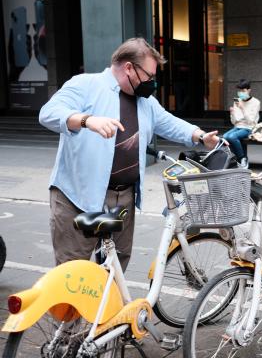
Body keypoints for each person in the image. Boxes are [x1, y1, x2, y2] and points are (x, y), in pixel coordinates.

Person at [39, 37, 220, 271]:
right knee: (72, 273)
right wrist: (87, 120)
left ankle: (107, 308)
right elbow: (49, 113)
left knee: (114, 268)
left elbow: (167, 121)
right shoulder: (85, 85)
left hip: (121, 199)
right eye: (149, 75)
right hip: (78, 198)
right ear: (129, 68)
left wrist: (199, 135)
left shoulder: (144, 101)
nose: (151, 82)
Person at [223, 79, 260, 168]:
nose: (241, 93)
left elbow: (251, 121)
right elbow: (234, 122)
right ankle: (235, 159)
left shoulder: (256, 102)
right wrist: (232, 114)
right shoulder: (237, 101)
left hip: (249, 128)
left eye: (243, 91)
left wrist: (242, 108)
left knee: (232, 137)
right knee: (225, 137)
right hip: (238, 127)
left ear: (249, 90)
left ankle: (243, 158)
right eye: (239, 91)